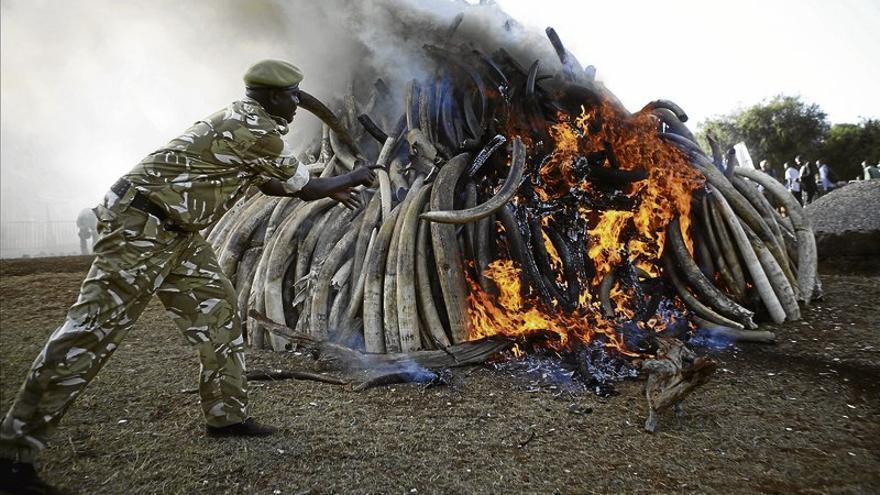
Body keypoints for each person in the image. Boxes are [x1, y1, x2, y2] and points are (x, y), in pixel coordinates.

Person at [0, 60, 376, 494]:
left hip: (178, 233)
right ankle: (12, 455)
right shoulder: (253, 128)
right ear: (271, 96)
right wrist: (353, 175)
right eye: (290, 94)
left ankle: (226, 416)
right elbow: (302, 187)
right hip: (140, 228)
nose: (296, 102)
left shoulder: (249, 121)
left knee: (217, 314)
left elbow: (271, 183)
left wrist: (329, 184)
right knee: (89, 334)